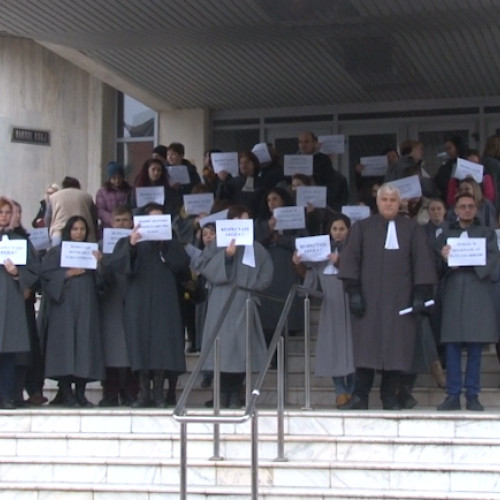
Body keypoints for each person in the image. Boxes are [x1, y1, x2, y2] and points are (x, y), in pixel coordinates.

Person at [338, 183, 437, 410]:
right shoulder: (362, 228)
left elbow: (421, 261)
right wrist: (353, 291)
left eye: (393, 200)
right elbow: (351, 259)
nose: (389, 204)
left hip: (399, 301)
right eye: (385, 200)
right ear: (378, 202)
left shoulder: (412, 229)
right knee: (366, 349)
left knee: (396, 350)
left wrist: (421, 292)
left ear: (399, 202)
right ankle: (360, 397)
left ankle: (389, 397)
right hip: (368, 300)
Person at [108, 203, 189, 407]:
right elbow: (117, 265)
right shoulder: (129, 240)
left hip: (164, 299)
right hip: (139, 298)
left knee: (162, 345)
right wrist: (132, 245)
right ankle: (144, 392)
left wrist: (166, 246)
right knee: (140, 342)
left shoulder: (170, 242)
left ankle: (159, 393)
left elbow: (182, 264)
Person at [194, 205, 273, 409]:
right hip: (221, 301)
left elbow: (266, 273)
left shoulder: (256, 248)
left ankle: (236, 392)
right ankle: (223, 392)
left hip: (244, 302)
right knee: (221, 350)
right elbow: (201, 265)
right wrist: (227, 257)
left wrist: (251, 288)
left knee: (240, 350)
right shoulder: (217, 245)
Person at [436, 193, 499, 411]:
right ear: (455, 210)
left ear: (476, 209)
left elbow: (491, 260)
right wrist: (444, 259)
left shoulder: (486, 233)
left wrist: (471, 263)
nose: (466, 210)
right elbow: (436, 265)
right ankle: (452, 394)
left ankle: (473, 394)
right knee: (452, 345)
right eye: (462, 206)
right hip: (453, 292)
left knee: (475, 345)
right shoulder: (446, 234)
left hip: (477, 293)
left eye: (471, 206)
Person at [41, 216, 104, 407]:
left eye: (82, 229)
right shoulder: (56, 253)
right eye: (75, 229)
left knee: (85, 349)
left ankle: (80, 394)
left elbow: (103, 283)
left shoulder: (92, 252)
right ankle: (66, 393)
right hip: (64, 308)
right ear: (69, 231)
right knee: (64, 349)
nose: (79, 233)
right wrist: (67, 274)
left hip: (86, 306)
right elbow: (45, 277)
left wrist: (100, 263)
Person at [294, 213, 355, 408]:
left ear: (348, 231)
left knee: (353, 349)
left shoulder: (355, 250)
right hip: (331, 306)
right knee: (333, 349)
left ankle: (352, 391)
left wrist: (340, 262)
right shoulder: (321, 253)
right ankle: (340, 391)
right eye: (334, 229)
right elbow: (310, 281)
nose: (338, 233)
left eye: (341, 229)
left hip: (353, 304)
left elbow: (363, 272)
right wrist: (299, 264)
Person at [0, 197, 39, 409]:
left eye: (7, 212)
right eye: (1, 212)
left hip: (10, 301)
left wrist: (18, 274)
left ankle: (7, 395)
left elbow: (34, 270)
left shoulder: (20, 242)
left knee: (7, 351)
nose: (4, 216)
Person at [97, 206, 137, 406]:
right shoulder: (100, 246)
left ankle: (131, 391)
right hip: (110, 302)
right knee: (110, 349)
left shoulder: (139, 243)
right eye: (118, 220)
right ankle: (110, 392)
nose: (122, 224)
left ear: (132, 222)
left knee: (132, 349)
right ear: (111, 223)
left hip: (132, 300)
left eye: (125, 220)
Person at [297, 132, 349, 211]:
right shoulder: (294, 159)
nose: (303, 145)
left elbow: (328, 181)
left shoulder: (323, 159)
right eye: (300, 142)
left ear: (314, 143)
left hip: (317, 199)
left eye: (306, 142)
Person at [46, 176, 98, 244]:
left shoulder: (54, 197)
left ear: (63, 186)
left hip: (59, 232)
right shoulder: (87, 196)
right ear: (78, 186)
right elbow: (94, 217)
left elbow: (48, 217)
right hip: (83, 234)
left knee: (57, 253)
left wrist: (48, 230)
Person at [95, 161, 132, 229]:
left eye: (119, 177)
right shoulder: (102, 192)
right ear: (109, 178)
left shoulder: (129, 190)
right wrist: (112, 220)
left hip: (126, 226)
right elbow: (100, 210)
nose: (117, 180)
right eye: (114, 178)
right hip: (108, 226)